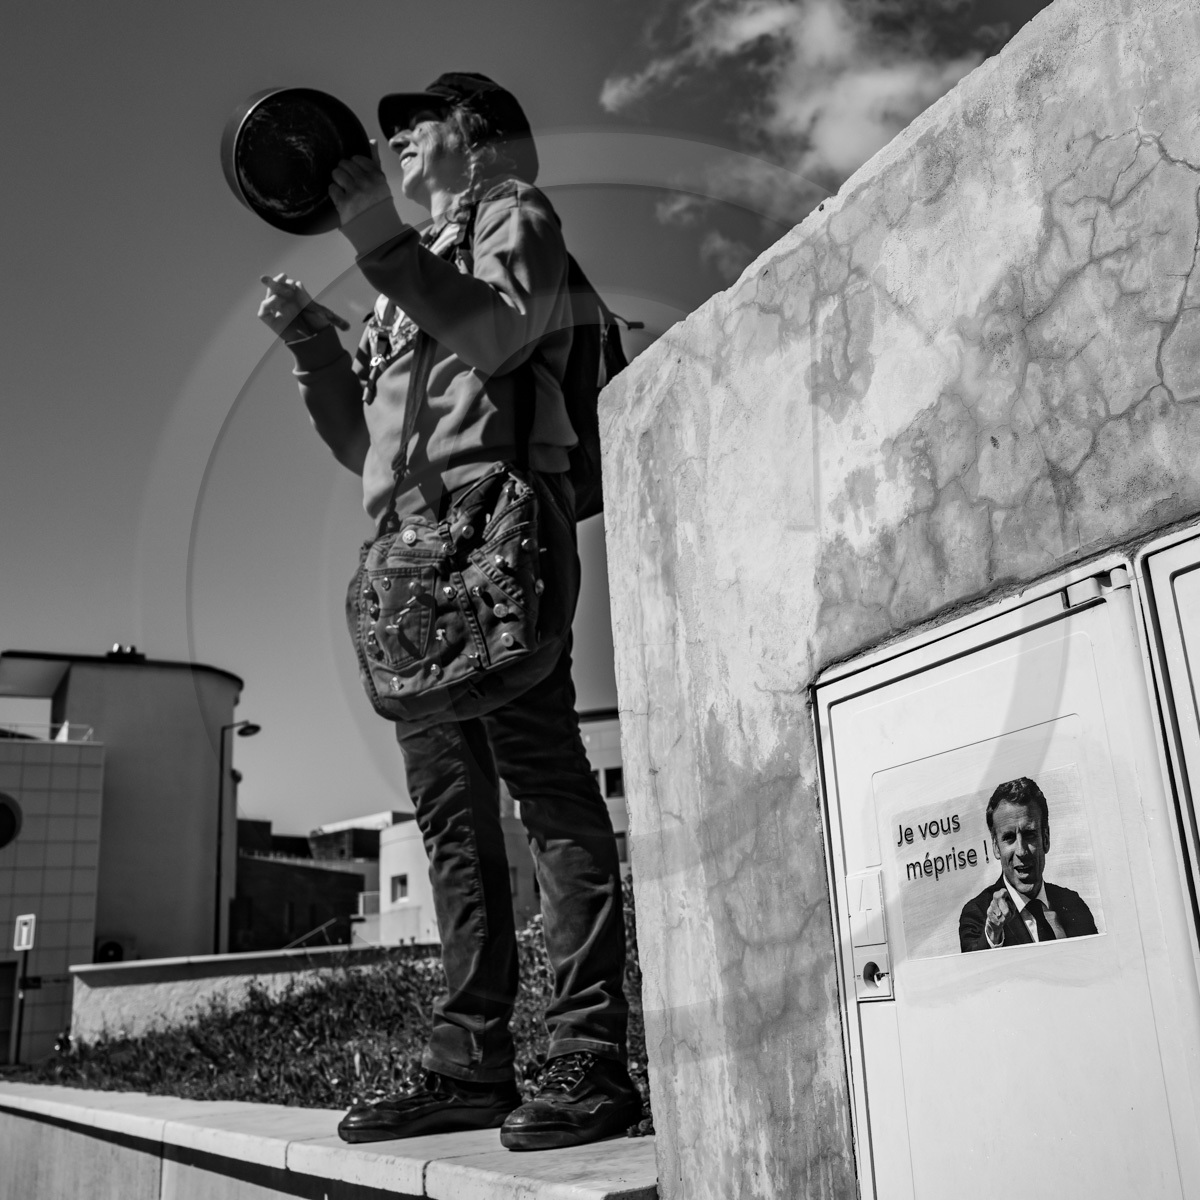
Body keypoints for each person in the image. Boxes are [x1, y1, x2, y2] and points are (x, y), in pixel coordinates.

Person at [257, 73, 641, 1151]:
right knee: (454, 826)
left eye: (410, 127)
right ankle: (471, 1067)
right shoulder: (398, 282)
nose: (389, 144)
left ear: (472, 139)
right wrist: (315, 350)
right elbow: (360, 450)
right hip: (412, 561)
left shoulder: (515, 213)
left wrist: (380, 242)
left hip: (500, 532)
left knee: (548, 794)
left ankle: (588, 1058)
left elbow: (503, 340)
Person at [959, 776, 1097, 952]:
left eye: (1029, 834)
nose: (1021, 851)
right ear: (995, 847)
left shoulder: (1074, 904)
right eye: (1009, 838)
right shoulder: (976, 913)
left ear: (1046, 839)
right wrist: (993, 934)